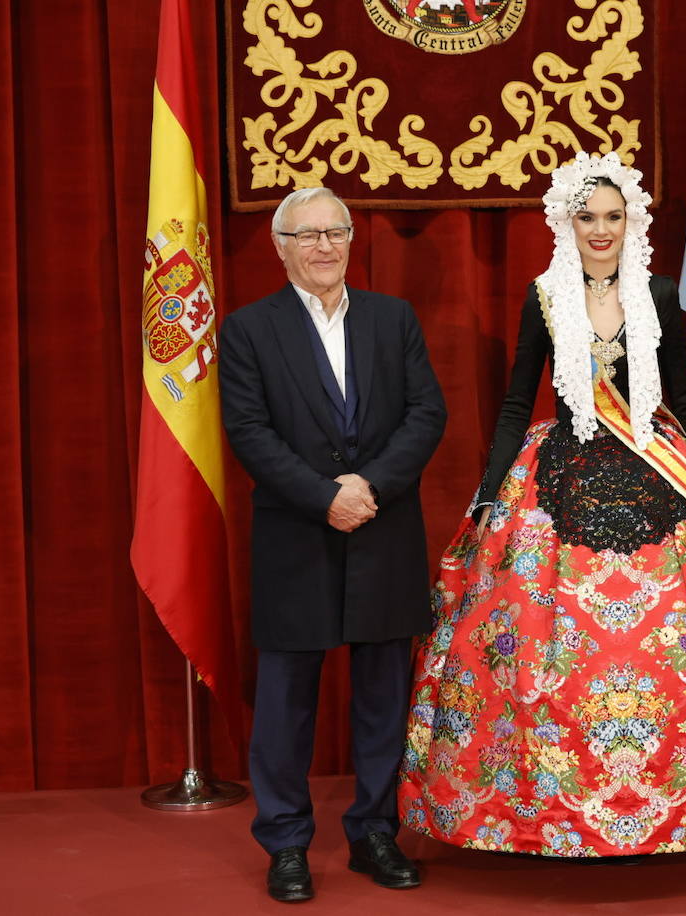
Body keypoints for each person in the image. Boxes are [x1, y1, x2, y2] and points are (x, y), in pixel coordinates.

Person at [396, 151, 686, 858]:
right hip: (559, 467)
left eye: (613, 217)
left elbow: (684, 399)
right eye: (588, 217)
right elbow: (514, 403)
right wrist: (487, 492)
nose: (601, 230)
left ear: (633, 223)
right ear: (567, 222)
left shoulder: (660, 295)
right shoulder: (544, 296)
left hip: (658, 465)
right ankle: (538, 814)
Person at [219, 186, 447, 902]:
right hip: (297, 536)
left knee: (385, 695)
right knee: (286, 703)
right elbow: (250, 433)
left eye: (336, 232)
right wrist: (326, 497)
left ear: (352, 240)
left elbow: (425, 412)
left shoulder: (393, 318)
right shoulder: (249, 330)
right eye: (307, 234)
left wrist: (367, 488)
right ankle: (286, 843)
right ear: (280, 246)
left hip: (383, 531)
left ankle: (375, 832)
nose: (324, 246)